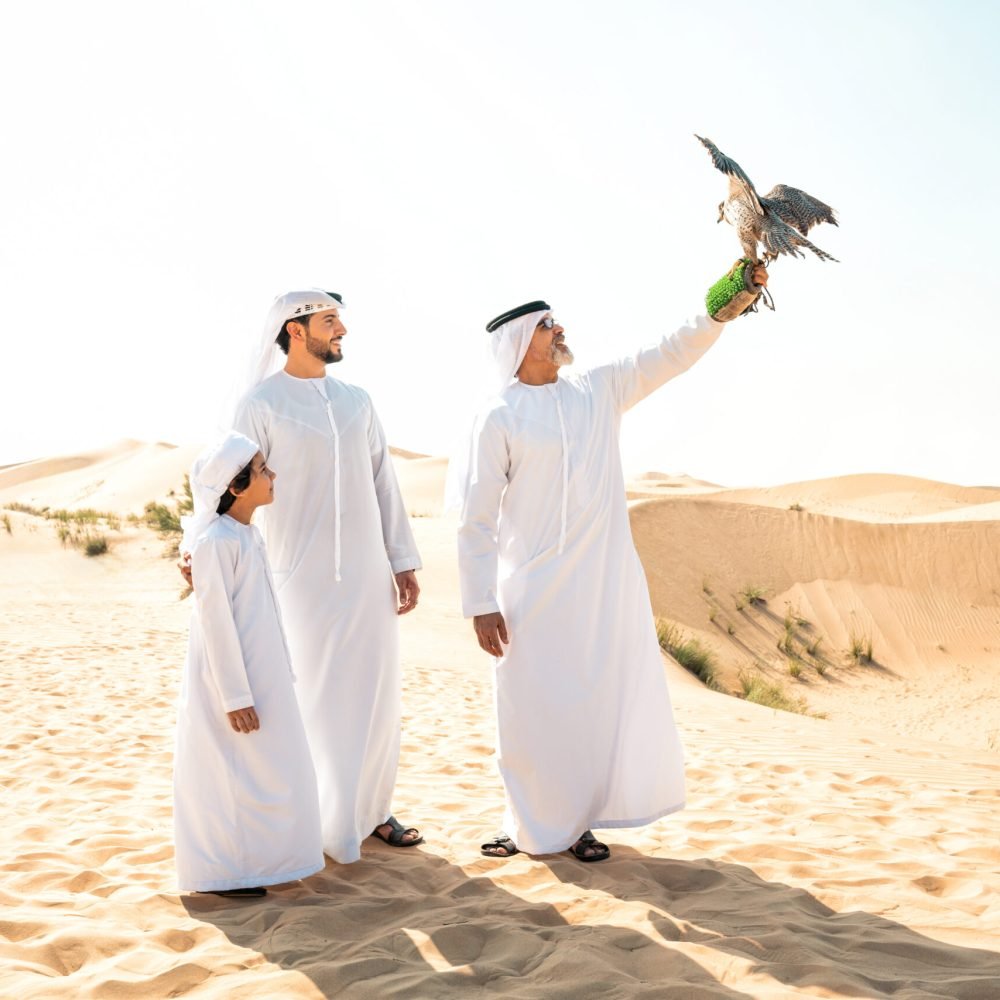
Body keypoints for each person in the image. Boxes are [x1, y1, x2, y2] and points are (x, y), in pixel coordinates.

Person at [452, 265, 769, 862]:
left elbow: (670, 353)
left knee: (592, 704)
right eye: (547, 327)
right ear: (520, 344)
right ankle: (526, 823)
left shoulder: (598, 389)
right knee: (528, 708)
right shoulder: (500, 415)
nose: (559, 330)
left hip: (602, 586)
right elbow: (475, 518)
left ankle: (577, 822)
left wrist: (729, 300)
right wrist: (480, 602)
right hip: (531, 589)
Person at [228, 289, 423, 864]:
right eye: (330, 321)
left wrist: (402, 559)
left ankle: (372, 811)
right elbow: (230, 481)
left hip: (366, 575)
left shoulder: (357, 400)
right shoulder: (260, 402)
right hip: (297, 577)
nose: (342, 331)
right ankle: (312, 816)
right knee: (311, 697)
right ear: (295, 329)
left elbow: (383, 480)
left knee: (376, 695)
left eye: (340, 321)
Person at [174, 431, 323, 897]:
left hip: (261, 670)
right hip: (229, 678)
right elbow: (216, 622)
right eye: (262, 470)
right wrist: (235, 695)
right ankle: (225, 872)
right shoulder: (216, 541)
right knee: (228, 770)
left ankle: (260, 862)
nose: (272, 474)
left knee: (269, 766)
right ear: (236, 486)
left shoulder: (245, 534)